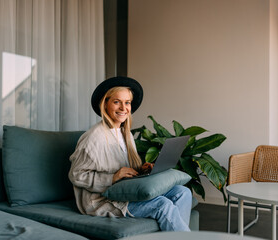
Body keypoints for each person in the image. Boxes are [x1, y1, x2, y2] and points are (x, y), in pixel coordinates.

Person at [68, 76, 192, 231]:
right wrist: (112, 177)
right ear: (105, 104)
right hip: (102, 201)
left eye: (127, 102)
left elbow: (124, 168)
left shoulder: (124, 133)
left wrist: (141, 169)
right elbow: (76, 175)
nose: (123, 108)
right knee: (162, 205)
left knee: (183, 192)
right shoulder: (93, 138)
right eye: (116, 102)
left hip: (126, 190)